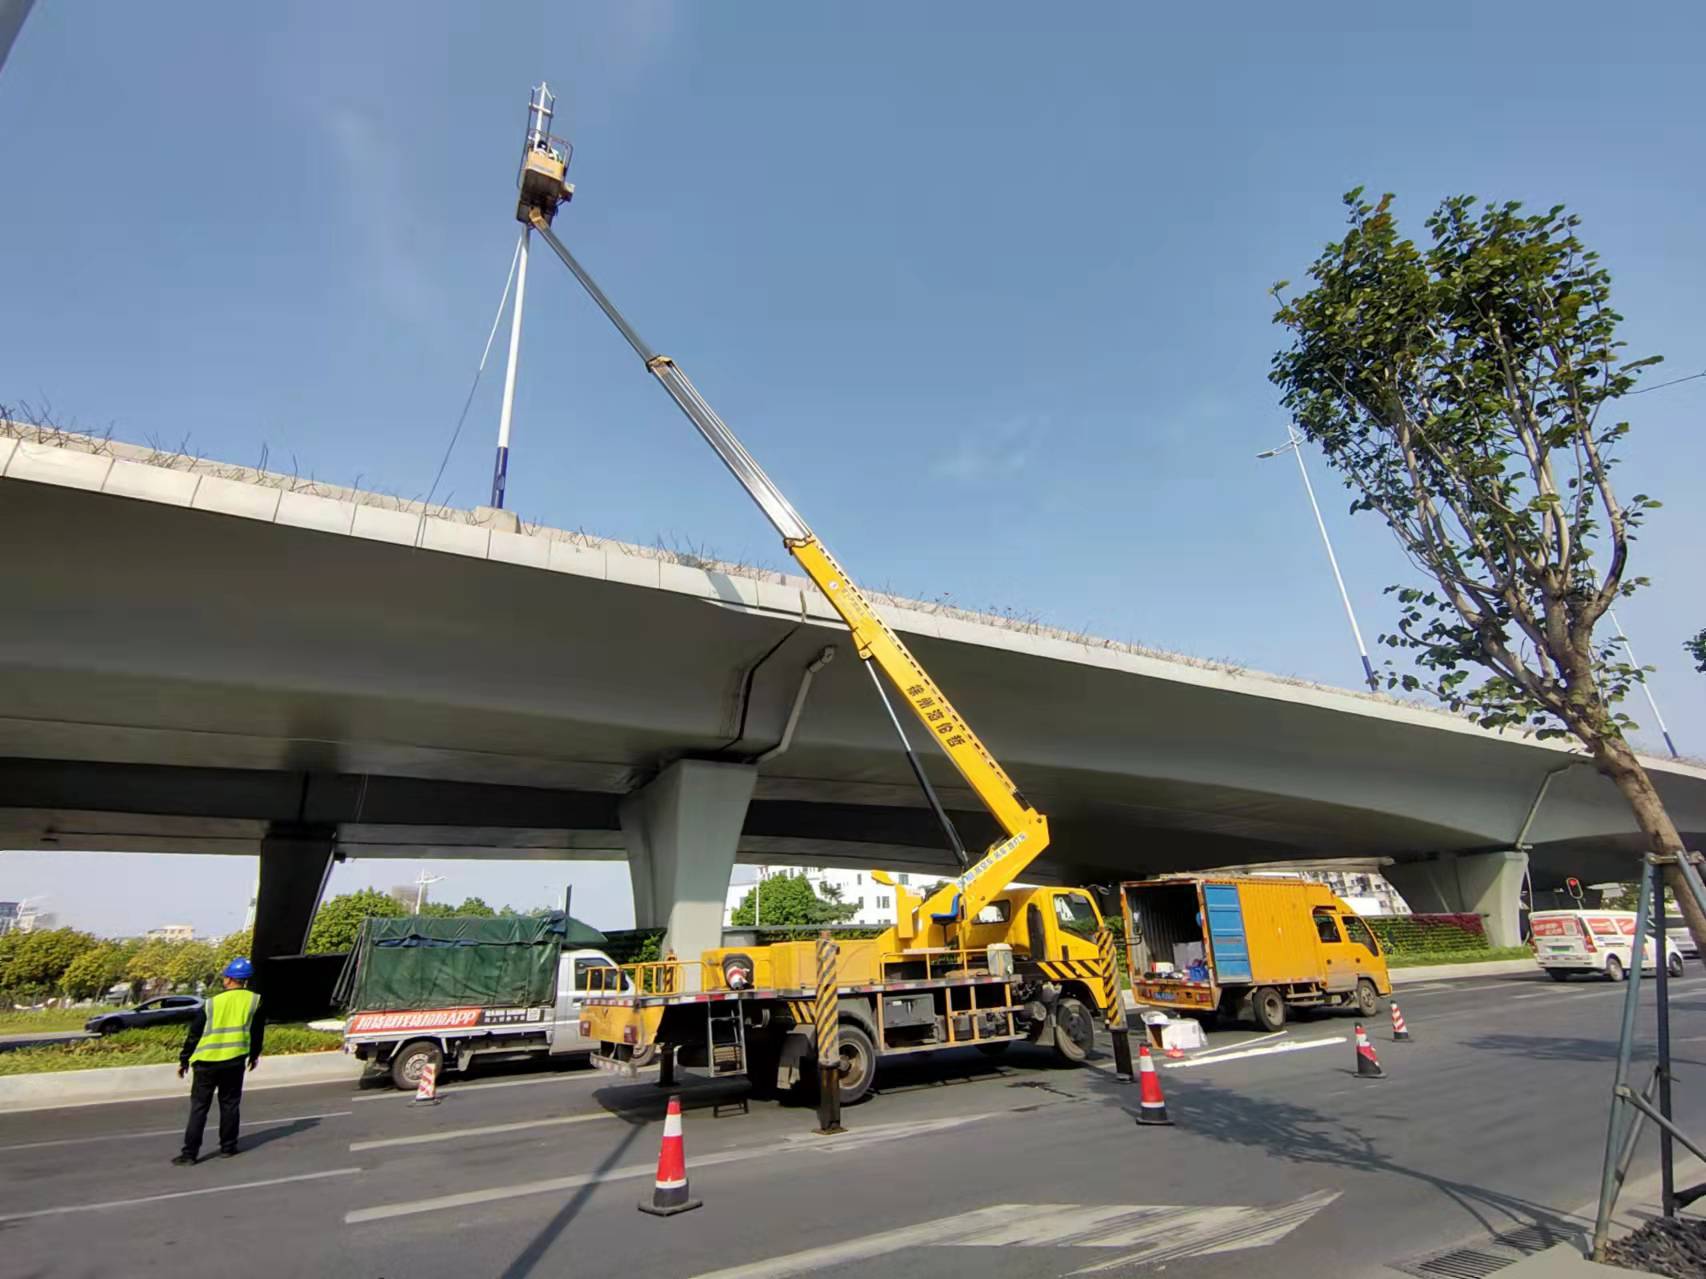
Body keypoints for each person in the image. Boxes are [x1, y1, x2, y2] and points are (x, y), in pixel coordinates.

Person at [172, 957, 265, 1166]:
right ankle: (228, 1147)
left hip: (205, 1063)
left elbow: (194, 1035)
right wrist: (254, 1054)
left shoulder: (212, 1003)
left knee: (199, 1108)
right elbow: (257, 1032)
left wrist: (184, 1060)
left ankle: (189, 1154)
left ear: (230, 979)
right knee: (230, 1104)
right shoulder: (255, 1001)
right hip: (234, 1061)